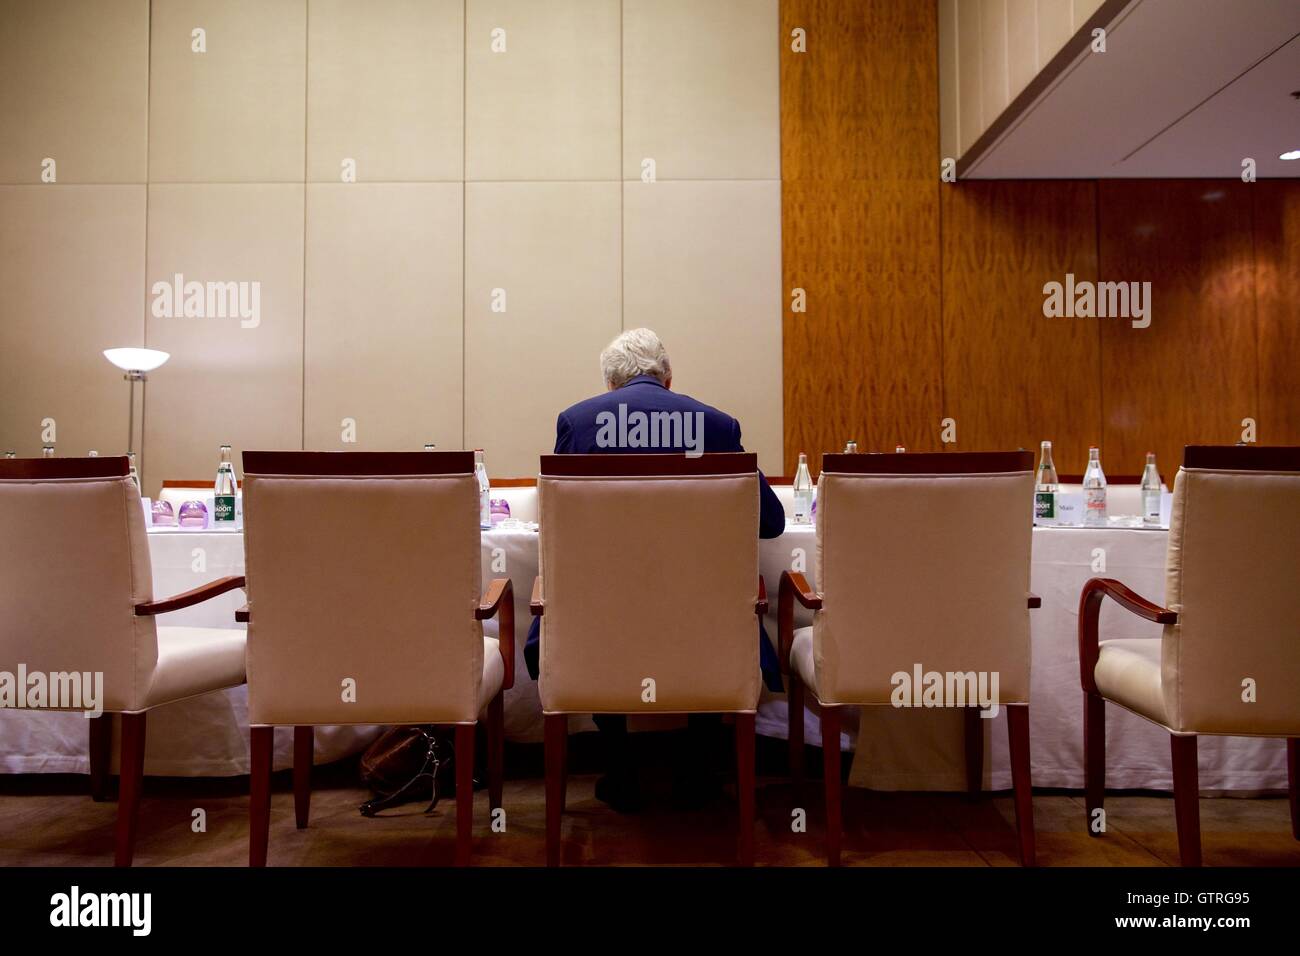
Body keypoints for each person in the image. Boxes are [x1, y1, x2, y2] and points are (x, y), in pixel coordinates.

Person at [523, 328, 785, 811]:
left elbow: (555, 527)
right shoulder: (718, 425)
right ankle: (698, 769)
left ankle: (621, 767)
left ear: (609, 386)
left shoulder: (577, 424)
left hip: (600, 624)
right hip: (703, 623)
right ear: (668, 377)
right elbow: (771, 522)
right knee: (714, 625)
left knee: (587, 617)